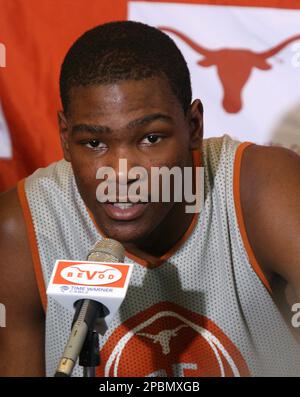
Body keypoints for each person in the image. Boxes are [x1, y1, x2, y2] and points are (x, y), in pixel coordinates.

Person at [0, 20, 300, 377]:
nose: (122, 172)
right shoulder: (24, 226)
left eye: (151, 138)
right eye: (94, 144)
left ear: (193, 126)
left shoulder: (259, 186)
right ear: (65, 138)